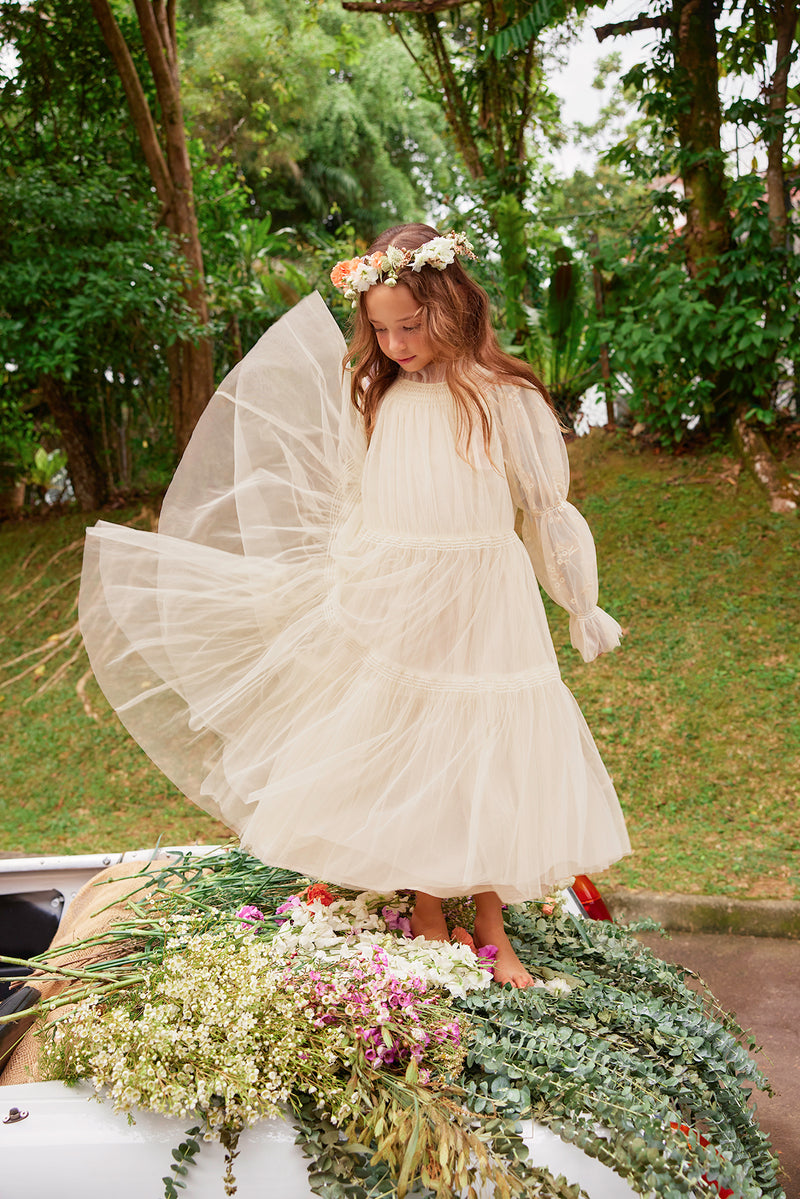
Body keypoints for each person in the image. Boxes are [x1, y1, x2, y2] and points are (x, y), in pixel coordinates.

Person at [79, 223, 630, 989]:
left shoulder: (504, 396)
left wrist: (579, 603)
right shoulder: (375, 393)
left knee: (488, 751)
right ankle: (428, 910)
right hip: (402, 592)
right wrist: (354, 580)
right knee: (419, 749)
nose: (397, 344)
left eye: (412, 326)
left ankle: (492, 926)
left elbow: (544, 509)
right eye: (382, 330)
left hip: (485, 595)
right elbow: (357, 497)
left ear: (453, 307)